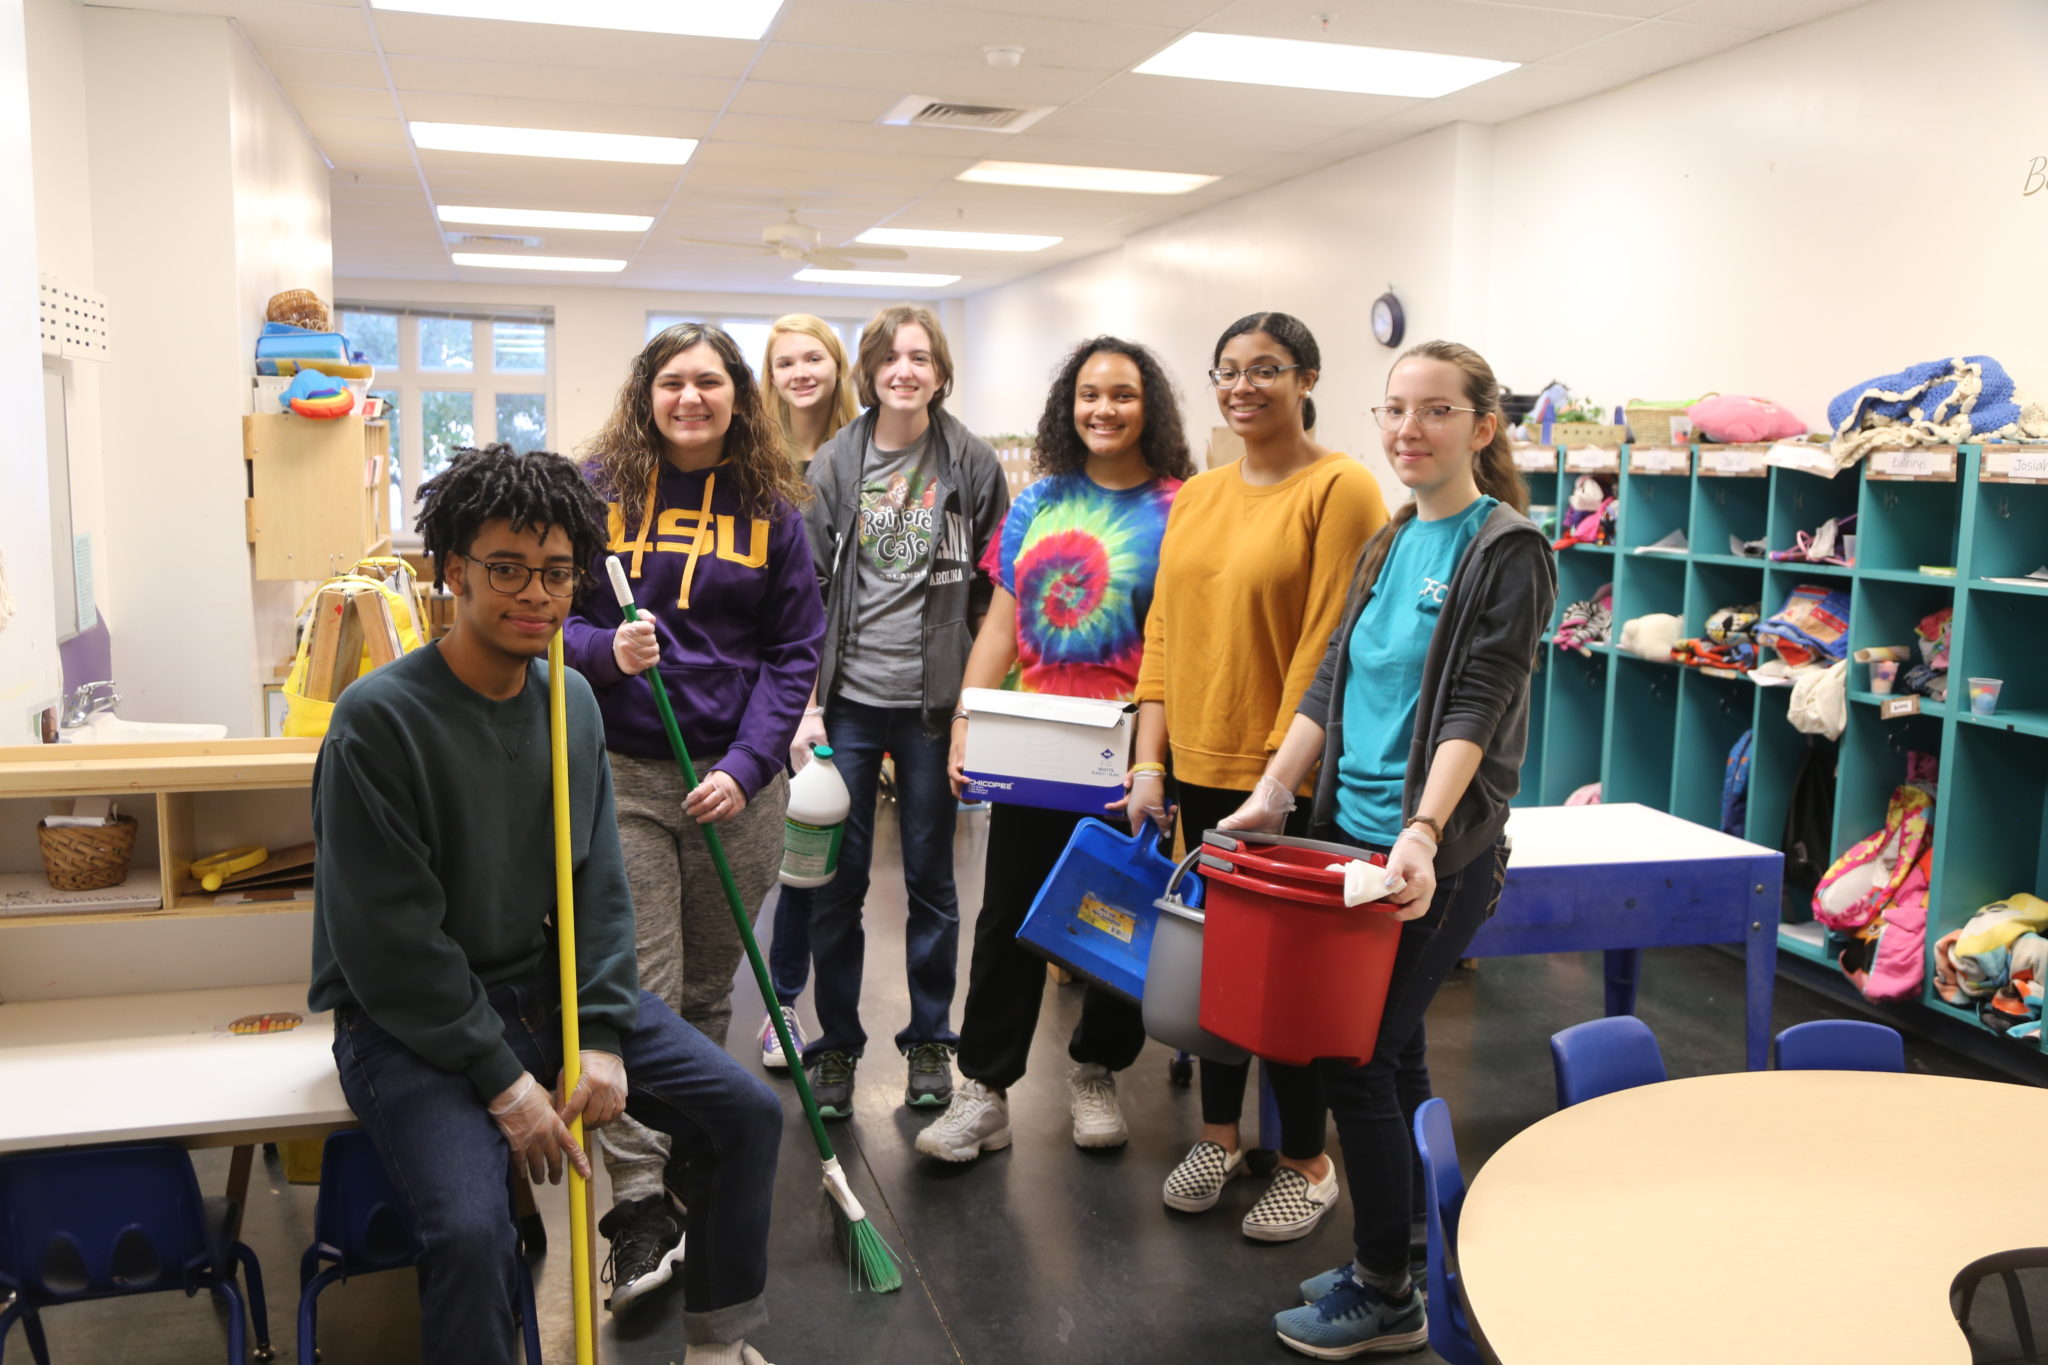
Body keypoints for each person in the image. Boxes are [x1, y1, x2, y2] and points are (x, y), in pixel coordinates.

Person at [310, 444, 784, 1365]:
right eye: (507, 570)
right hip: (409, 1023)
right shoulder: (378, 720)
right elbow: (391, 943)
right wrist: (503, 1080)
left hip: (546, 987)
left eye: (557, 573)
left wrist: (601, 1032)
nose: (536, 594)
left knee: (745, 1112)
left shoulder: (569, 698)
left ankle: (718, 1344)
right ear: (453, 571)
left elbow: (598, 885)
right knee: (471, 1231)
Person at [1223, 341, 1554, 1356]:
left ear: (1482, 428)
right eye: (1394, 411)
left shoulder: (1505, 550)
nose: (1407, 430)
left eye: (1435, 411)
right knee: (1392, 1049)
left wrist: (1420, 832)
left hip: (1433, 860)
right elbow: (1330, 678)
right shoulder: (1392, 536)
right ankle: (1406, 1251)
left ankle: (1385, 1292)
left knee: (1352, 1057)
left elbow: (1475, 700)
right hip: (1345, 839)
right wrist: (1276, 790)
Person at [562, 323, 823, 1311]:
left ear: (734, 395)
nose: (690, 399)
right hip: (624, 773)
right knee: (641, 994)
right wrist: (602, 652)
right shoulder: (598, 490)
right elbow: (559, 612)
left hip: (734, 785)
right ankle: (637, 1206)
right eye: (672, 382)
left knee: (710, 993)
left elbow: (794, 648)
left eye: (708, 383)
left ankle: (687, 1161)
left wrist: (751, 767)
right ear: (646, 392)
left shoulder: (772, 507)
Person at [1131, 311, 1389, 1242]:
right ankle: (1218, 1136)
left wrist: (1274, 783)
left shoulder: (1341, 488)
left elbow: (1330, 643)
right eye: (1228, 371)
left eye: (1266, 370)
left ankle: (1307, 1162)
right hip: (1196, 766)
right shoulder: (1196, 496)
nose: (1243, 387)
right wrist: (1149, 759)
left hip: (1285, 781)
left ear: (1307, 377)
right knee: (1213, 968)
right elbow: (1163, 632)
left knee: (1281, 981)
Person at [916, 336, 1195, 1162]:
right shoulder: (1037, 502)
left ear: (1151, 408)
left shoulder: (1183, 506)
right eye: (1088, 394)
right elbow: (999, 624)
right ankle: (987, 1088)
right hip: (1037, 743)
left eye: (1122, 394)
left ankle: (1097, 1069)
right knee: (1009, 915)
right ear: (1067, 406)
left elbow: (1177, 640)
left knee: (1113, 910)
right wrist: (968, 717)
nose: (1103, 409)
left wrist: (1153, 757)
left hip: (1130, 743)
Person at [799, 304, 1009, 1119]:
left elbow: (996, 588)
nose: (906, 370)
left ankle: (930, 1039)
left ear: (940, 370)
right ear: (871, 371)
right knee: (835, 883)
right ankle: (837, 1047)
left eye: (921, 357)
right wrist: (807, 704)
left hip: (933, 706)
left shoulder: (971, 461)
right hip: (849, 702)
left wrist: (975, 698)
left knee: (932, 879)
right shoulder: (834, 464)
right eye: (892, 357)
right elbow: (808, 589)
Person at [755, 313, 860, 1074]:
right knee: (799, 852)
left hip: (854, 682)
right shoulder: (754, 457)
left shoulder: (865, 451)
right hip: (779, 680)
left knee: (832, 856)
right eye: (785, 360)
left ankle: (840, 1023)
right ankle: (781, 1003)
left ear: (836, 365)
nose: (800, 371)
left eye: (813, 356)